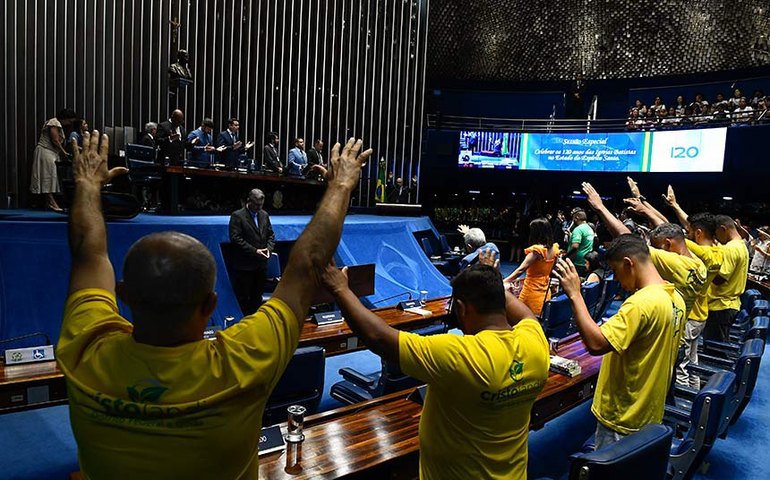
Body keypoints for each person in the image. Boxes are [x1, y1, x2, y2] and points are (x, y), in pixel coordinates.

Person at [56, 131, 372, 478]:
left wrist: (86, 182)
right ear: (211, 304)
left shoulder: (86, 350)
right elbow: (307, 263)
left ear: (123, 294)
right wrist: (341, 185)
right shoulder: (244, 360)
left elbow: (88, 251)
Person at [321, 258, 549, 479]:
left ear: (461, 308)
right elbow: (526, 314)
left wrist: (340, 289)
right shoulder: (534, 339)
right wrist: (490, 281)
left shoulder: (459, 354)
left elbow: (379, 338)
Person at [553, 235, 685, 450]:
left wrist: (575, 294)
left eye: (616, 272)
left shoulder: (641, 303)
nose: (618, 281)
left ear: (628, 264)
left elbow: (596, 345)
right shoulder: (675, 296)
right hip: (649, 409)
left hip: (624, 413)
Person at [228, 189, 275, 315]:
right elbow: (235, 239)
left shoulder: (264, 215)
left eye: (261, 205)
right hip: (245, 267)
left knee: (257, 298)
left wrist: (269, 250)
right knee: (244, 300)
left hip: (261, 265)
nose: (258, 208)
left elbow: (270, 235)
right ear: (248, 201)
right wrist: (255, 251)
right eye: (256, 205)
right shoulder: (237, 216)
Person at [502, 218, 560, 316]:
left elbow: (521, 269)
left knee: (522, 318)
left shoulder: (536, 251)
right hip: (545, 291)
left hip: (531, 291)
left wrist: (505, 281)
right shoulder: (554, 249)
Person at [30, 108, 77, 212]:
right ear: (65, 118)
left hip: (51, 153)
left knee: (50, 177)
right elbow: (55, 140)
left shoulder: (56, 123)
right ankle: (52, 202)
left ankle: (49, 201)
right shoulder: (54, 122)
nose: (69, 124)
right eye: (69, 121)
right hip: (46, 151)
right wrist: (64, 153)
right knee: (47, 176)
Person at [566, 208, 595, 277]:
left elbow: (575, 246)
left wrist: (566, 257)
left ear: (577, 218)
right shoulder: (589, 228)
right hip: (585, 261)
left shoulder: (578, 229)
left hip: (577, 262)